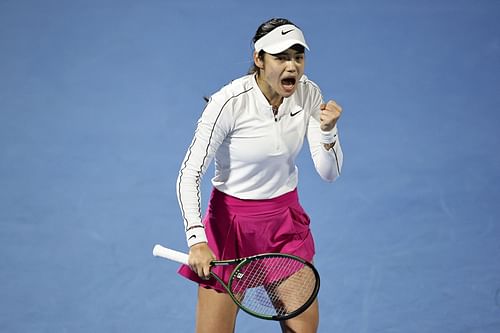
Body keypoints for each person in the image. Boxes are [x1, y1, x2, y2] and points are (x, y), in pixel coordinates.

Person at [175, 17, 343, 333]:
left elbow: (329, 172)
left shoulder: (308, 94)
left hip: (284, 227)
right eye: (281, 57)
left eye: (298, 56)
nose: (292, 66)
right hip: (229, 229)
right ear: (259, 60)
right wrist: (197, 239)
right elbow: (189, 173)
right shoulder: (228, 103)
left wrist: (328, 133)